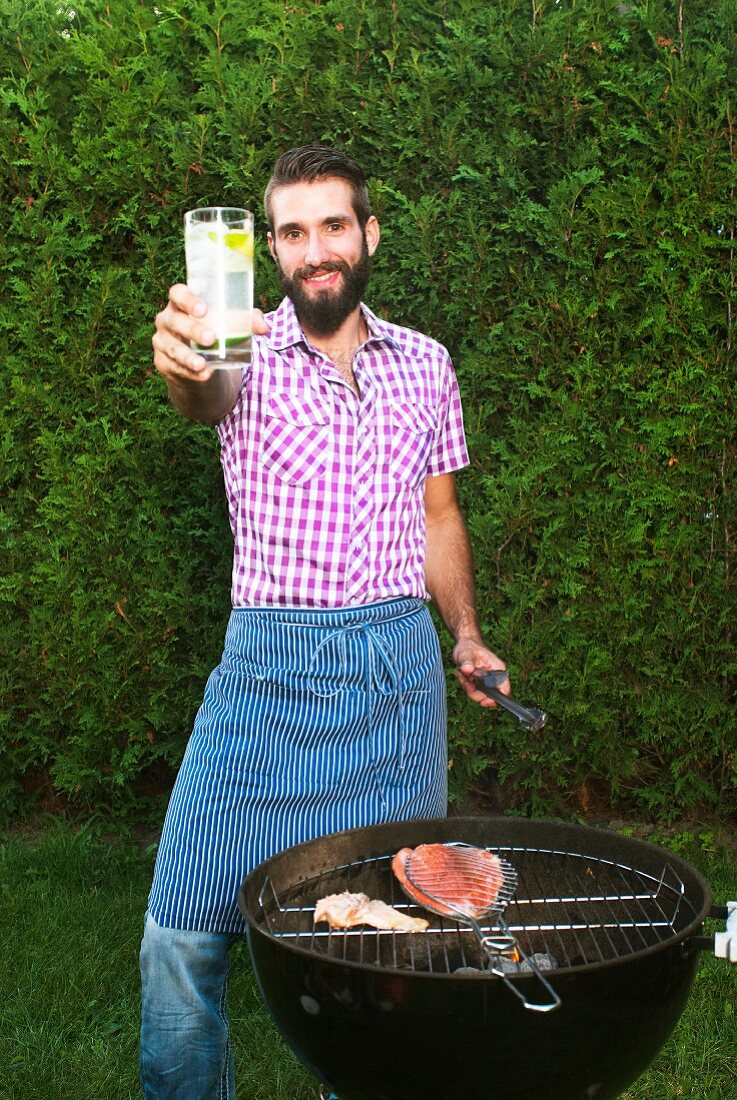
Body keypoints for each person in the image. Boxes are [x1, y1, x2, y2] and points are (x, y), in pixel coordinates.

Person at [142, 144, 510, 1099]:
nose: (315, 250)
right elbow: (201, 393)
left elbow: (437, 515)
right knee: (180, 932)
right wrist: (184, 358)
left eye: (332, 226)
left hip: (396, 677)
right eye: (293, 232)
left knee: (387, 945)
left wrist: (463, 633)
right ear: (273, 249)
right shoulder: (240, 348)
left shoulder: (426, 364)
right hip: (268, 672)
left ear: (366, 235)